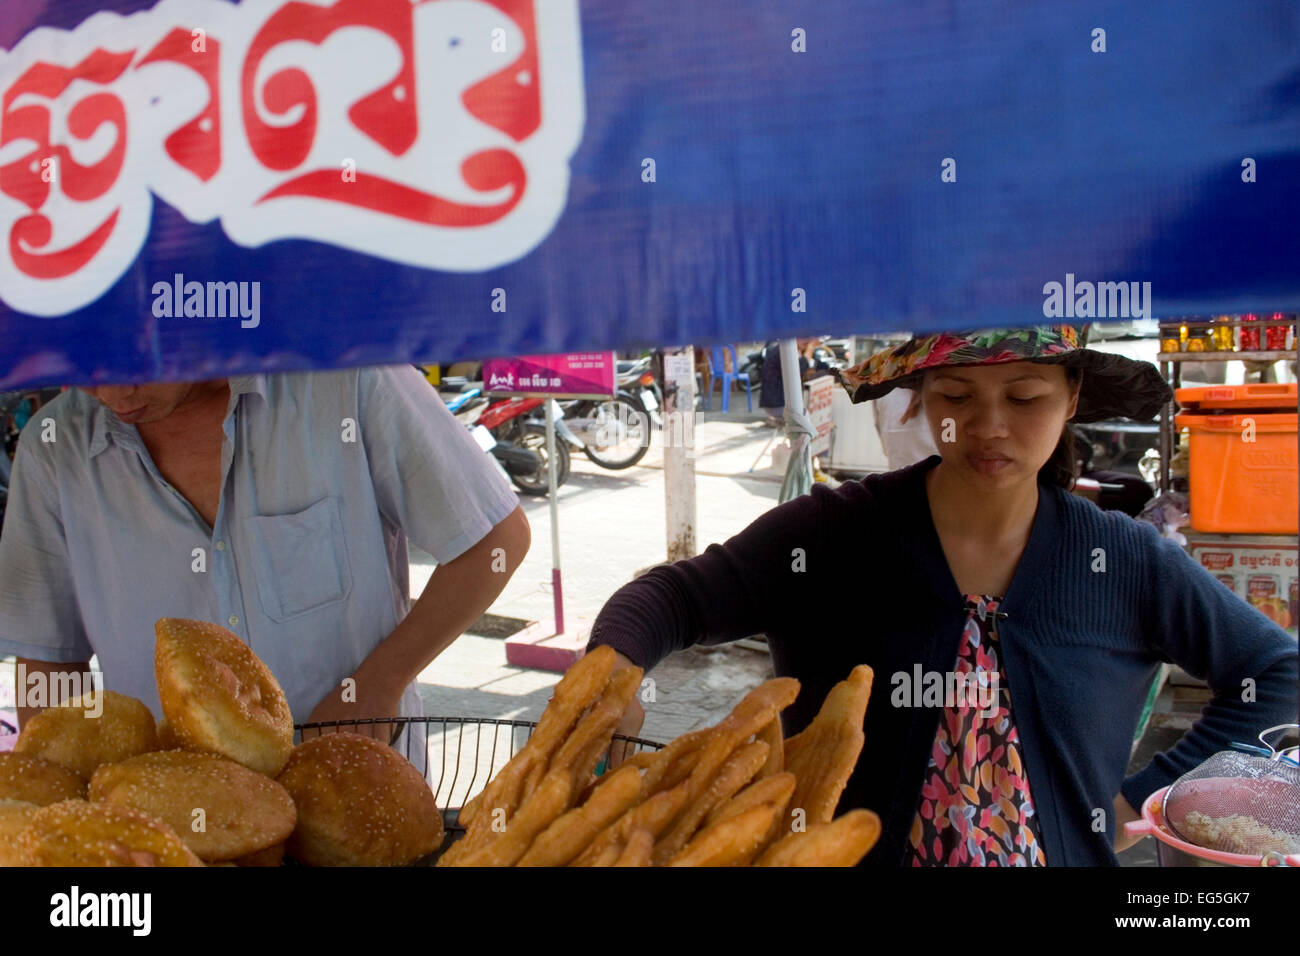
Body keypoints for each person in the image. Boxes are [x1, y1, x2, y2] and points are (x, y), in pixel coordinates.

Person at [588, 325, 1298, 866]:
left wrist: (1150, 793)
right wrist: (609, 680)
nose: (988, 426)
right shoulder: (831, 535)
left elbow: (1278, 671)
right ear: (921, 398)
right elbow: (669, 599)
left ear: (1072, 397)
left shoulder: (1122, 557)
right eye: (957, 396)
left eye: (1025, 398)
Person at [0, 365, 531, 761]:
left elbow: (492, 542)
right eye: (87, 363)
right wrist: (55, 785)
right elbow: (49, 658)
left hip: (354, 792)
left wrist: (378, 683)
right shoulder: (55, 449)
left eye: (138, 361)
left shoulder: (346, 380)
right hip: (174, 825)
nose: (113, 393)